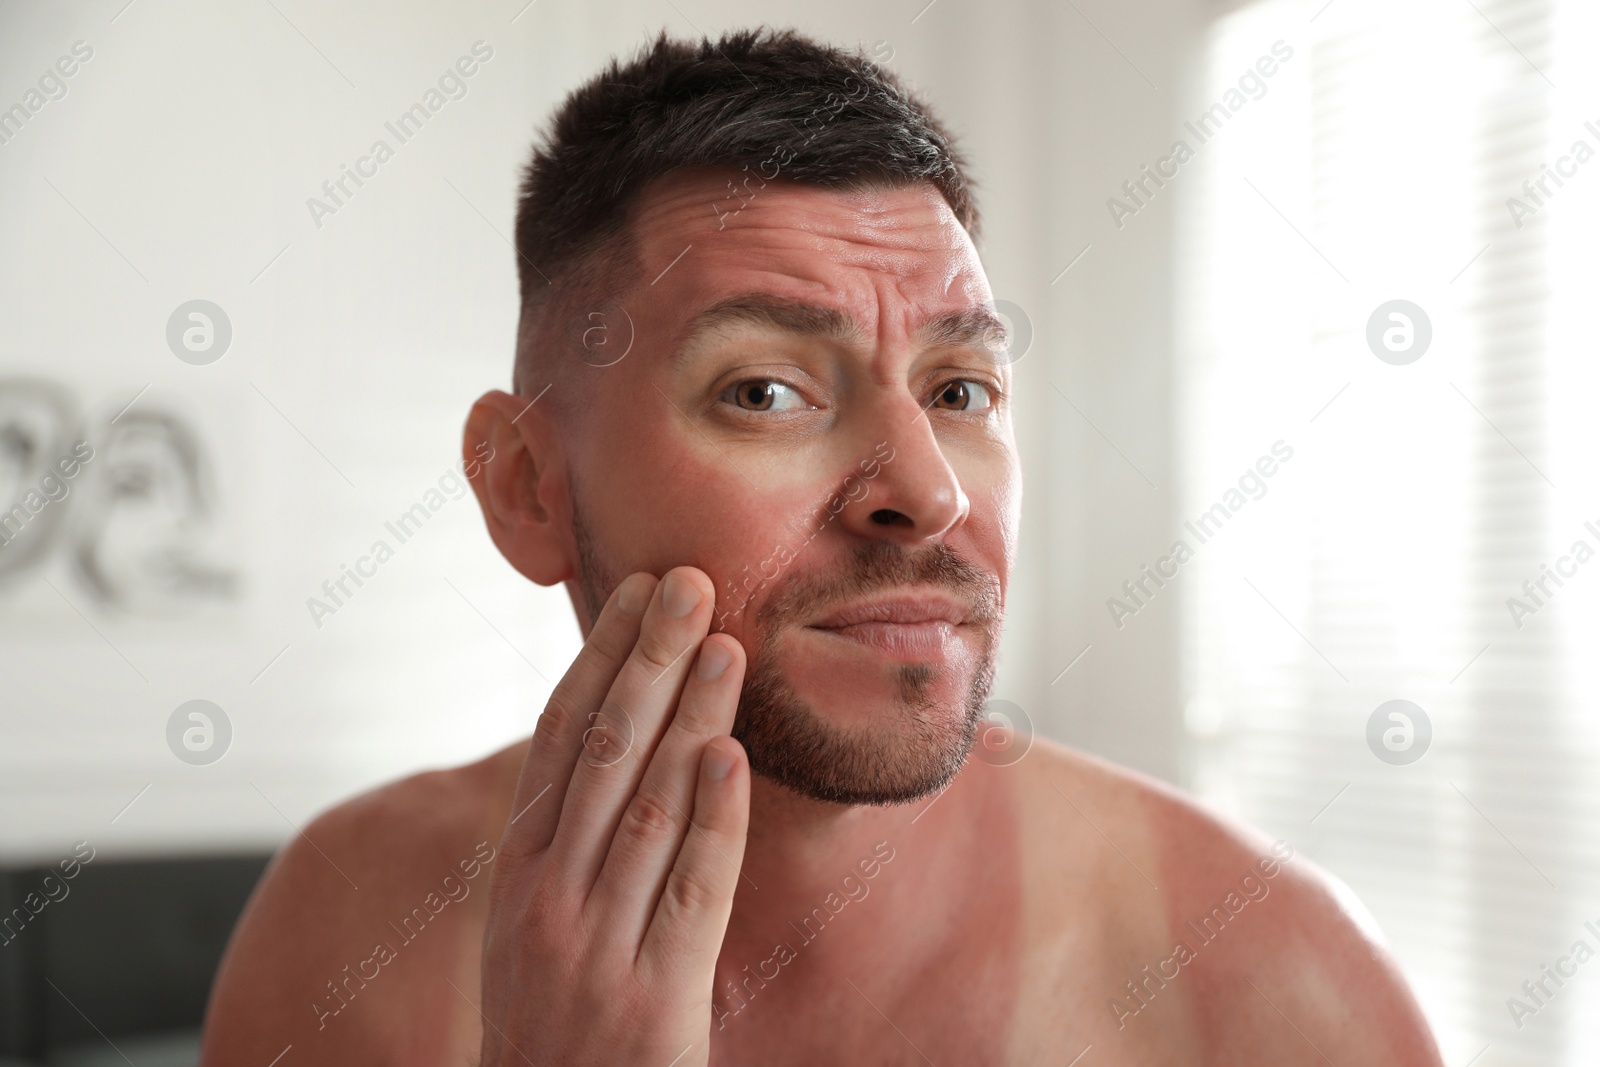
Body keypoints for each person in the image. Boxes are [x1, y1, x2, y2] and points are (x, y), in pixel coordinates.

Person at [200, 27, 1444, 1065]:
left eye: (960, 389)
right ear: (528, 485)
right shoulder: (349, 933)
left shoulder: (1272, 984)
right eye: (766, 390)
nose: (926, 493)